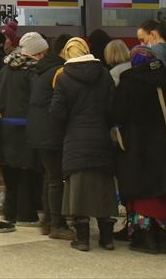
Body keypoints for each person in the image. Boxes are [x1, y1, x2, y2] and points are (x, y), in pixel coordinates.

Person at [113, 46, 166, 254]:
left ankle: (146, 237)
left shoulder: (129, 82)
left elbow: (116, 114)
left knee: (143, 193)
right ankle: (164, 237)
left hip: (139, 149)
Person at [49, 36, 116, 251]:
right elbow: (112, 107)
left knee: (77, 189)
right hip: (101, 137)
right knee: (104, 187)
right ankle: (107, 238)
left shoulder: (64, 77)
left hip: (76, 138)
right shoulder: (104, 75)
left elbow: (56, 112)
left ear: (68, 54)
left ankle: (83, 238)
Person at [23, 33, 74, 240]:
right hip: (53, 131)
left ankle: (47, 220)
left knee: (49, 177)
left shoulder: (39, 71)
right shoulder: (59, 71)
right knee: (55, 179)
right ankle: (57, 223)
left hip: (38, 131)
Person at [0, 31, 48, 227]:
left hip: (6, 128)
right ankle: (26, 212)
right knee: (27, 172)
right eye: (42, 53)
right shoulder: (32, 72)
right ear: (36, 53)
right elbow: (37, 100)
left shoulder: (5, 68)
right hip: (26, 128)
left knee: (11, 173)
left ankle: (10, 210)